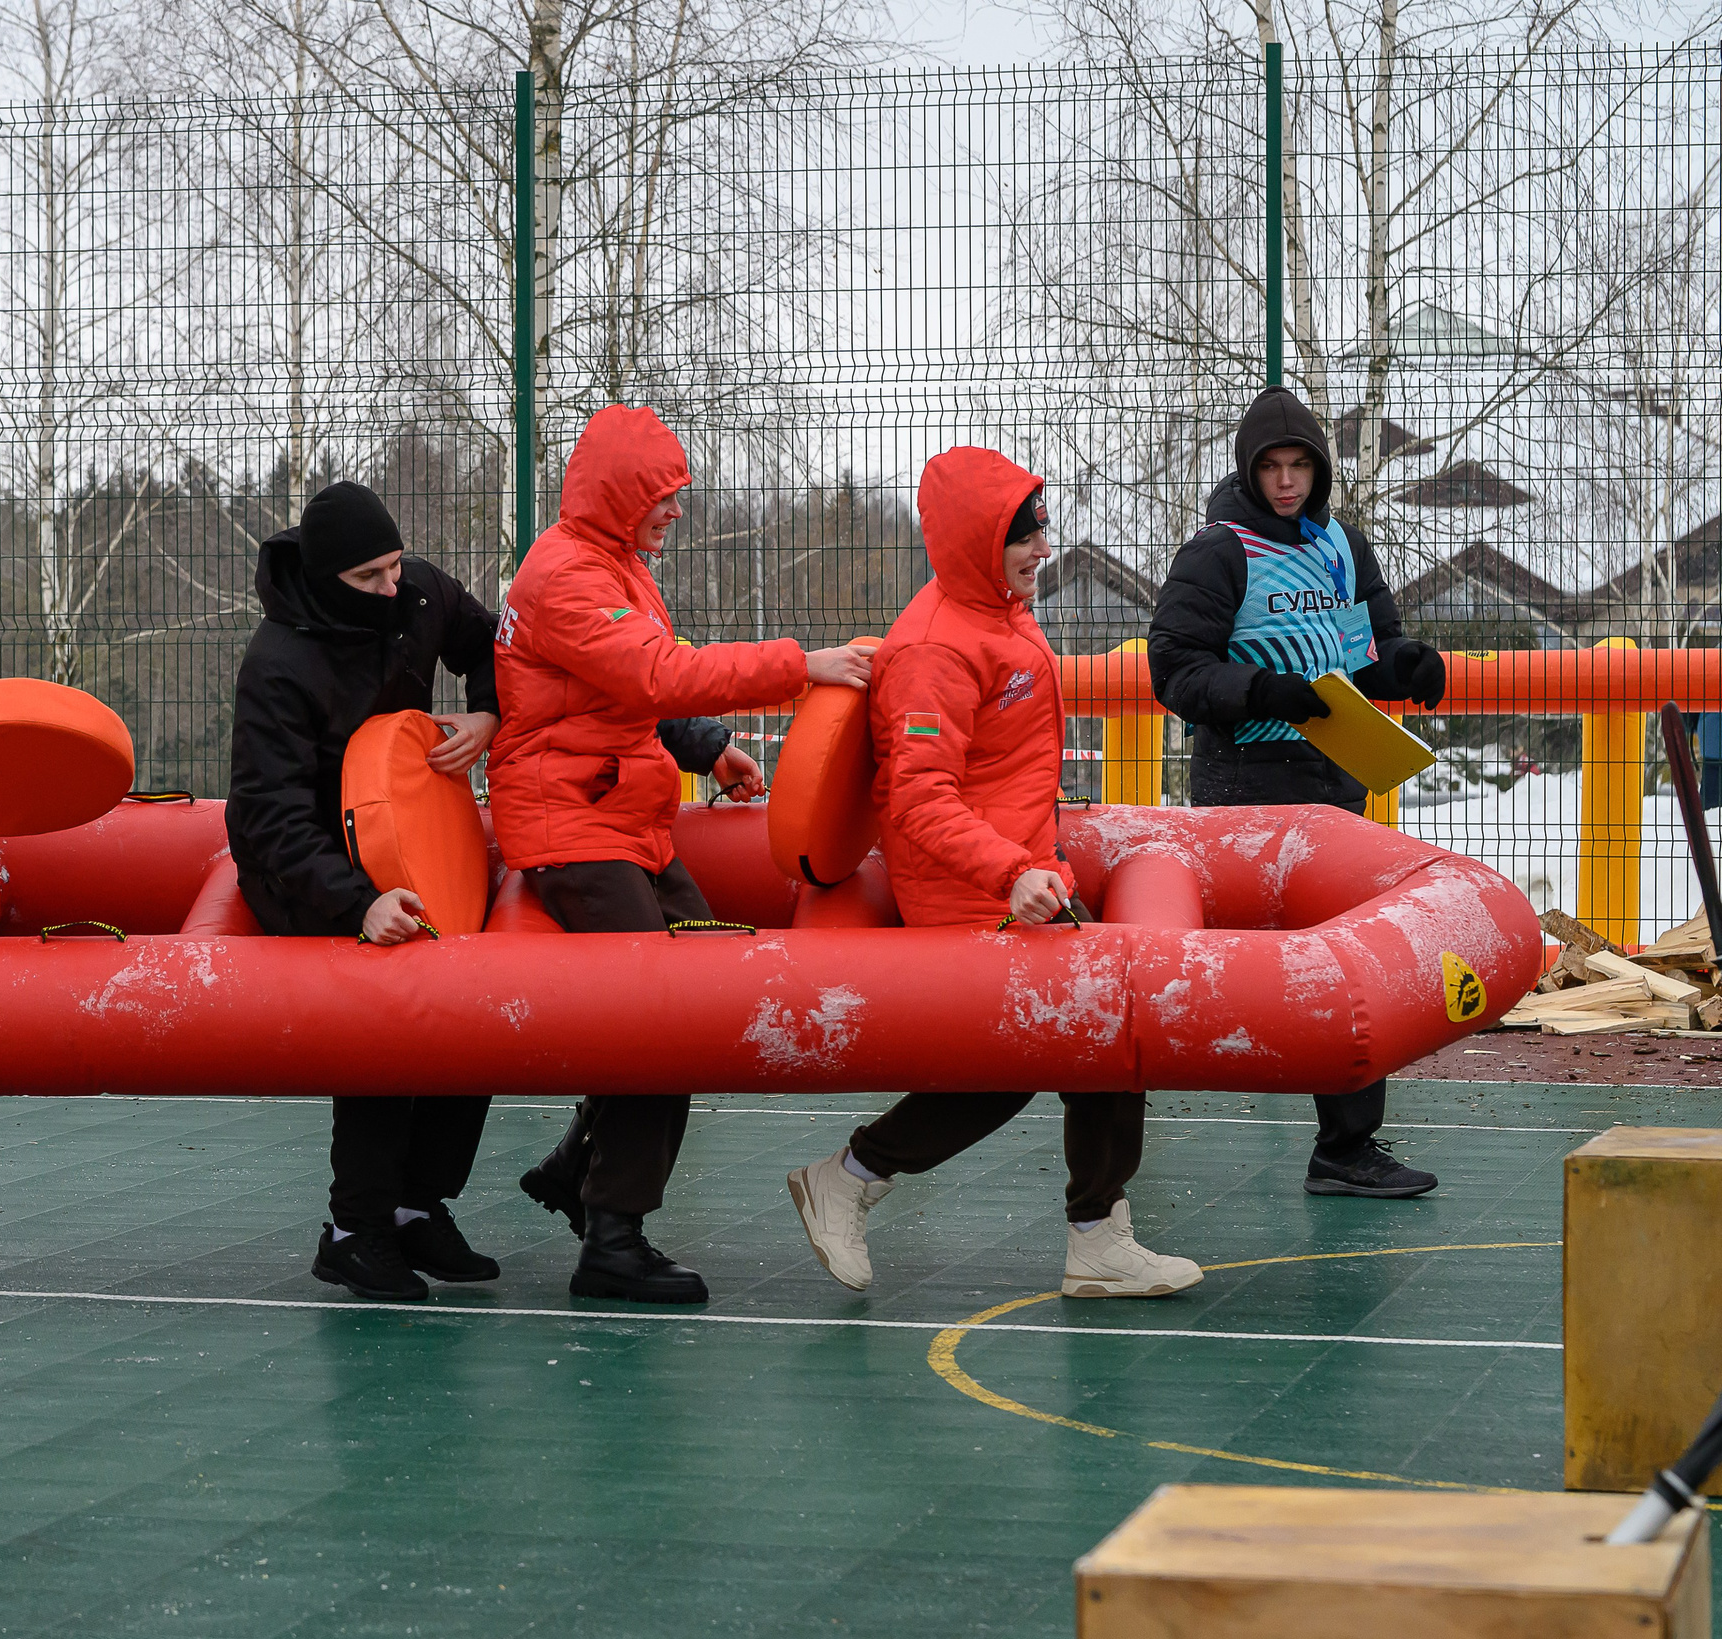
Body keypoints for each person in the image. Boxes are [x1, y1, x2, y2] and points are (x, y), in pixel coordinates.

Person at [786, 450, 1204, 1299]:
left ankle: (1090, 1231)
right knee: (1075, 1038)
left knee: (1086, 1044)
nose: (1043, 545)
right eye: (1025, 533)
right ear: (981, 542)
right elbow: (917, 799)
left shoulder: (1003, 611)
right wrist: (1011, 869)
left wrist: (1034, 861)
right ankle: (868, 1177)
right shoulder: (935, 647)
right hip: (971, 893)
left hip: (1023, 880)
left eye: (1042, 525)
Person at [493, 404, 875, 1304]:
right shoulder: (568, 576)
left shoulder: (611, 562)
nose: (674, 511)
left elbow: (632, 688)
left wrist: (704, 747)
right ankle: (612, 1239)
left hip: (619, 818)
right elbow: (656, 672)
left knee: (693, 1000)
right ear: (622, 495)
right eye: (662, 497)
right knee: (662, 1018)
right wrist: (799, 666)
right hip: (575, 831)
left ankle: (573, 1165)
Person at [1145, 386, 1446, 1199]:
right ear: (1249, 472)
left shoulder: (1344, 545)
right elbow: (1172, 667)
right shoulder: (1219, 549)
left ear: (1320, 469)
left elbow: (1369, 651)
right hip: (1246, 785)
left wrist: (1409, 667)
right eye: (1272, 468)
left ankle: (1348, 1147)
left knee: (1345, 961)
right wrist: (1261, 691)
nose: (1287, 482)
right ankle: (1122, 1114)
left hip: (1334, 780)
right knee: (1234, 970)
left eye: (1300, 466)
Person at [227, 480, 503, 1303]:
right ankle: (355, 1230)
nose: (393, 588)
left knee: (472, 999)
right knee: (392, 1011)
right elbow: (269, 818)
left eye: (394, 568)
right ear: (323, 580)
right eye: (370, 578)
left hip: (405, 833)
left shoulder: (416, 593)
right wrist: (357, 903)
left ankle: (419, 1206)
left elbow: (493, 641)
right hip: (305, 866)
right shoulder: (277, 664)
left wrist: (486, 711)